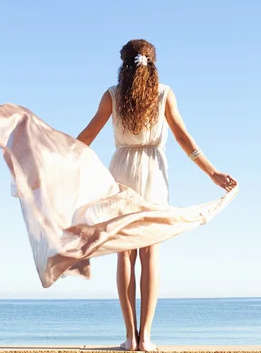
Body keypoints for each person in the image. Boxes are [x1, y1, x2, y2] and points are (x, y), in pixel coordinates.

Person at [75, 39, 237, 351]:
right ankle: (146, 338)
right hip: (153, 171)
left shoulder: (112, 95)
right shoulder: (164, 93)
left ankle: (129, 337)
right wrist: (212, 172)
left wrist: (58, 156)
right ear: (153, 63)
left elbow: (88, 136)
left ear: (123, 64)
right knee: (150, 251)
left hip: (120, 170)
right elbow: (182, 138)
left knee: (124, 252)